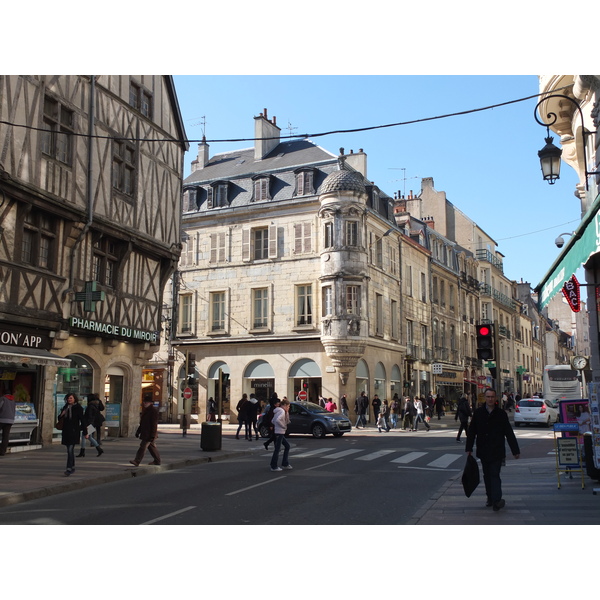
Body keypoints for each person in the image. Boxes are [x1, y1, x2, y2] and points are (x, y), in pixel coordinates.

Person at [466, 387, 520, 511]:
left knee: (495, 474)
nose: (490, 399)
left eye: (492, 397)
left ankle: (497, 500)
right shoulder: (479, 413)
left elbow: (509, 432)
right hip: (483, 450)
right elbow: (472, 432)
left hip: (497, 450)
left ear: (495, 398)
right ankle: (490, 498)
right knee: (487, 475)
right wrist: (469, 448)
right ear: (485, 398)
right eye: (488, 397)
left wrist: (515, 450)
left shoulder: (501, 414)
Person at [58, 393, 85, 476]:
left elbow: (82, 420)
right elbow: (60, 418)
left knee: (70, 450)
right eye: (68, 398)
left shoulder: (78, 408)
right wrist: (62, 414)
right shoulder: (65, 407)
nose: (69, 400)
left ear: (74, 399)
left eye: (71, 398)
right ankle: (72, 466)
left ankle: (68, 468)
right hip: (66, 432)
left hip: (74, 432)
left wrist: (85, 432)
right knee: (69, 451)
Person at [130, 397, 161, 466]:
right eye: (144, 402)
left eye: (146, 402)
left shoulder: (153, 411)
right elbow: (142, 423)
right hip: (145, 432)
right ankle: (157, 461)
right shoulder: (146, 410)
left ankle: (137, 461)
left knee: (143, 446)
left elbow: (154, 424)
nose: (144, 403)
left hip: (149, 433)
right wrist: (138, 431)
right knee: (152, 448)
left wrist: (153, 435)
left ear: (151, 403)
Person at [270, 398, 292, 471]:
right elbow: (277, 420)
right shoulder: (282, 411)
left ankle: (285, 463)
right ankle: (274, 466)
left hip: (279, 432)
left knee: (286, 446)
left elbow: (273, 421)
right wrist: (283, 426)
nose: (289, 408)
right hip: (280, 432)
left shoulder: (279, 411)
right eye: (288, 406)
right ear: (285, 405)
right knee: (278, 449)